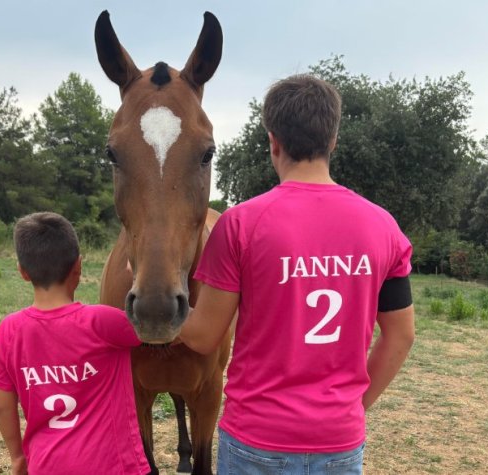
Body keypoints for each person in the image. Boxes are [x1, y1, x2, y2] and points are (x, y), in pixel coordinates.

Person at [179, 74, 416, 474]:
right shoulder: (384, 227)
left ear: (273, 141)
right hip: (339, 442)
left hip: (255, 439)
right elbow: (401, 335)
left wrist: (155, 299)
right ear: (333, 140)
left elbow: (203, 337)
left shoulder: (239, 225)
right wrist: (352, 409)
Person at [0, 212, 149, 475]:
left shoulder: (9, 330)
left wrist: (17, 458)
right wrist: (139, 275)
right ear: (78, 266)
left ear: (23, 272)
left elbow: (2, 406)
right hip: (114, 466)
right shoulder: (104, 322)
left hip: (46, 465)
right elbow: (159, 325)